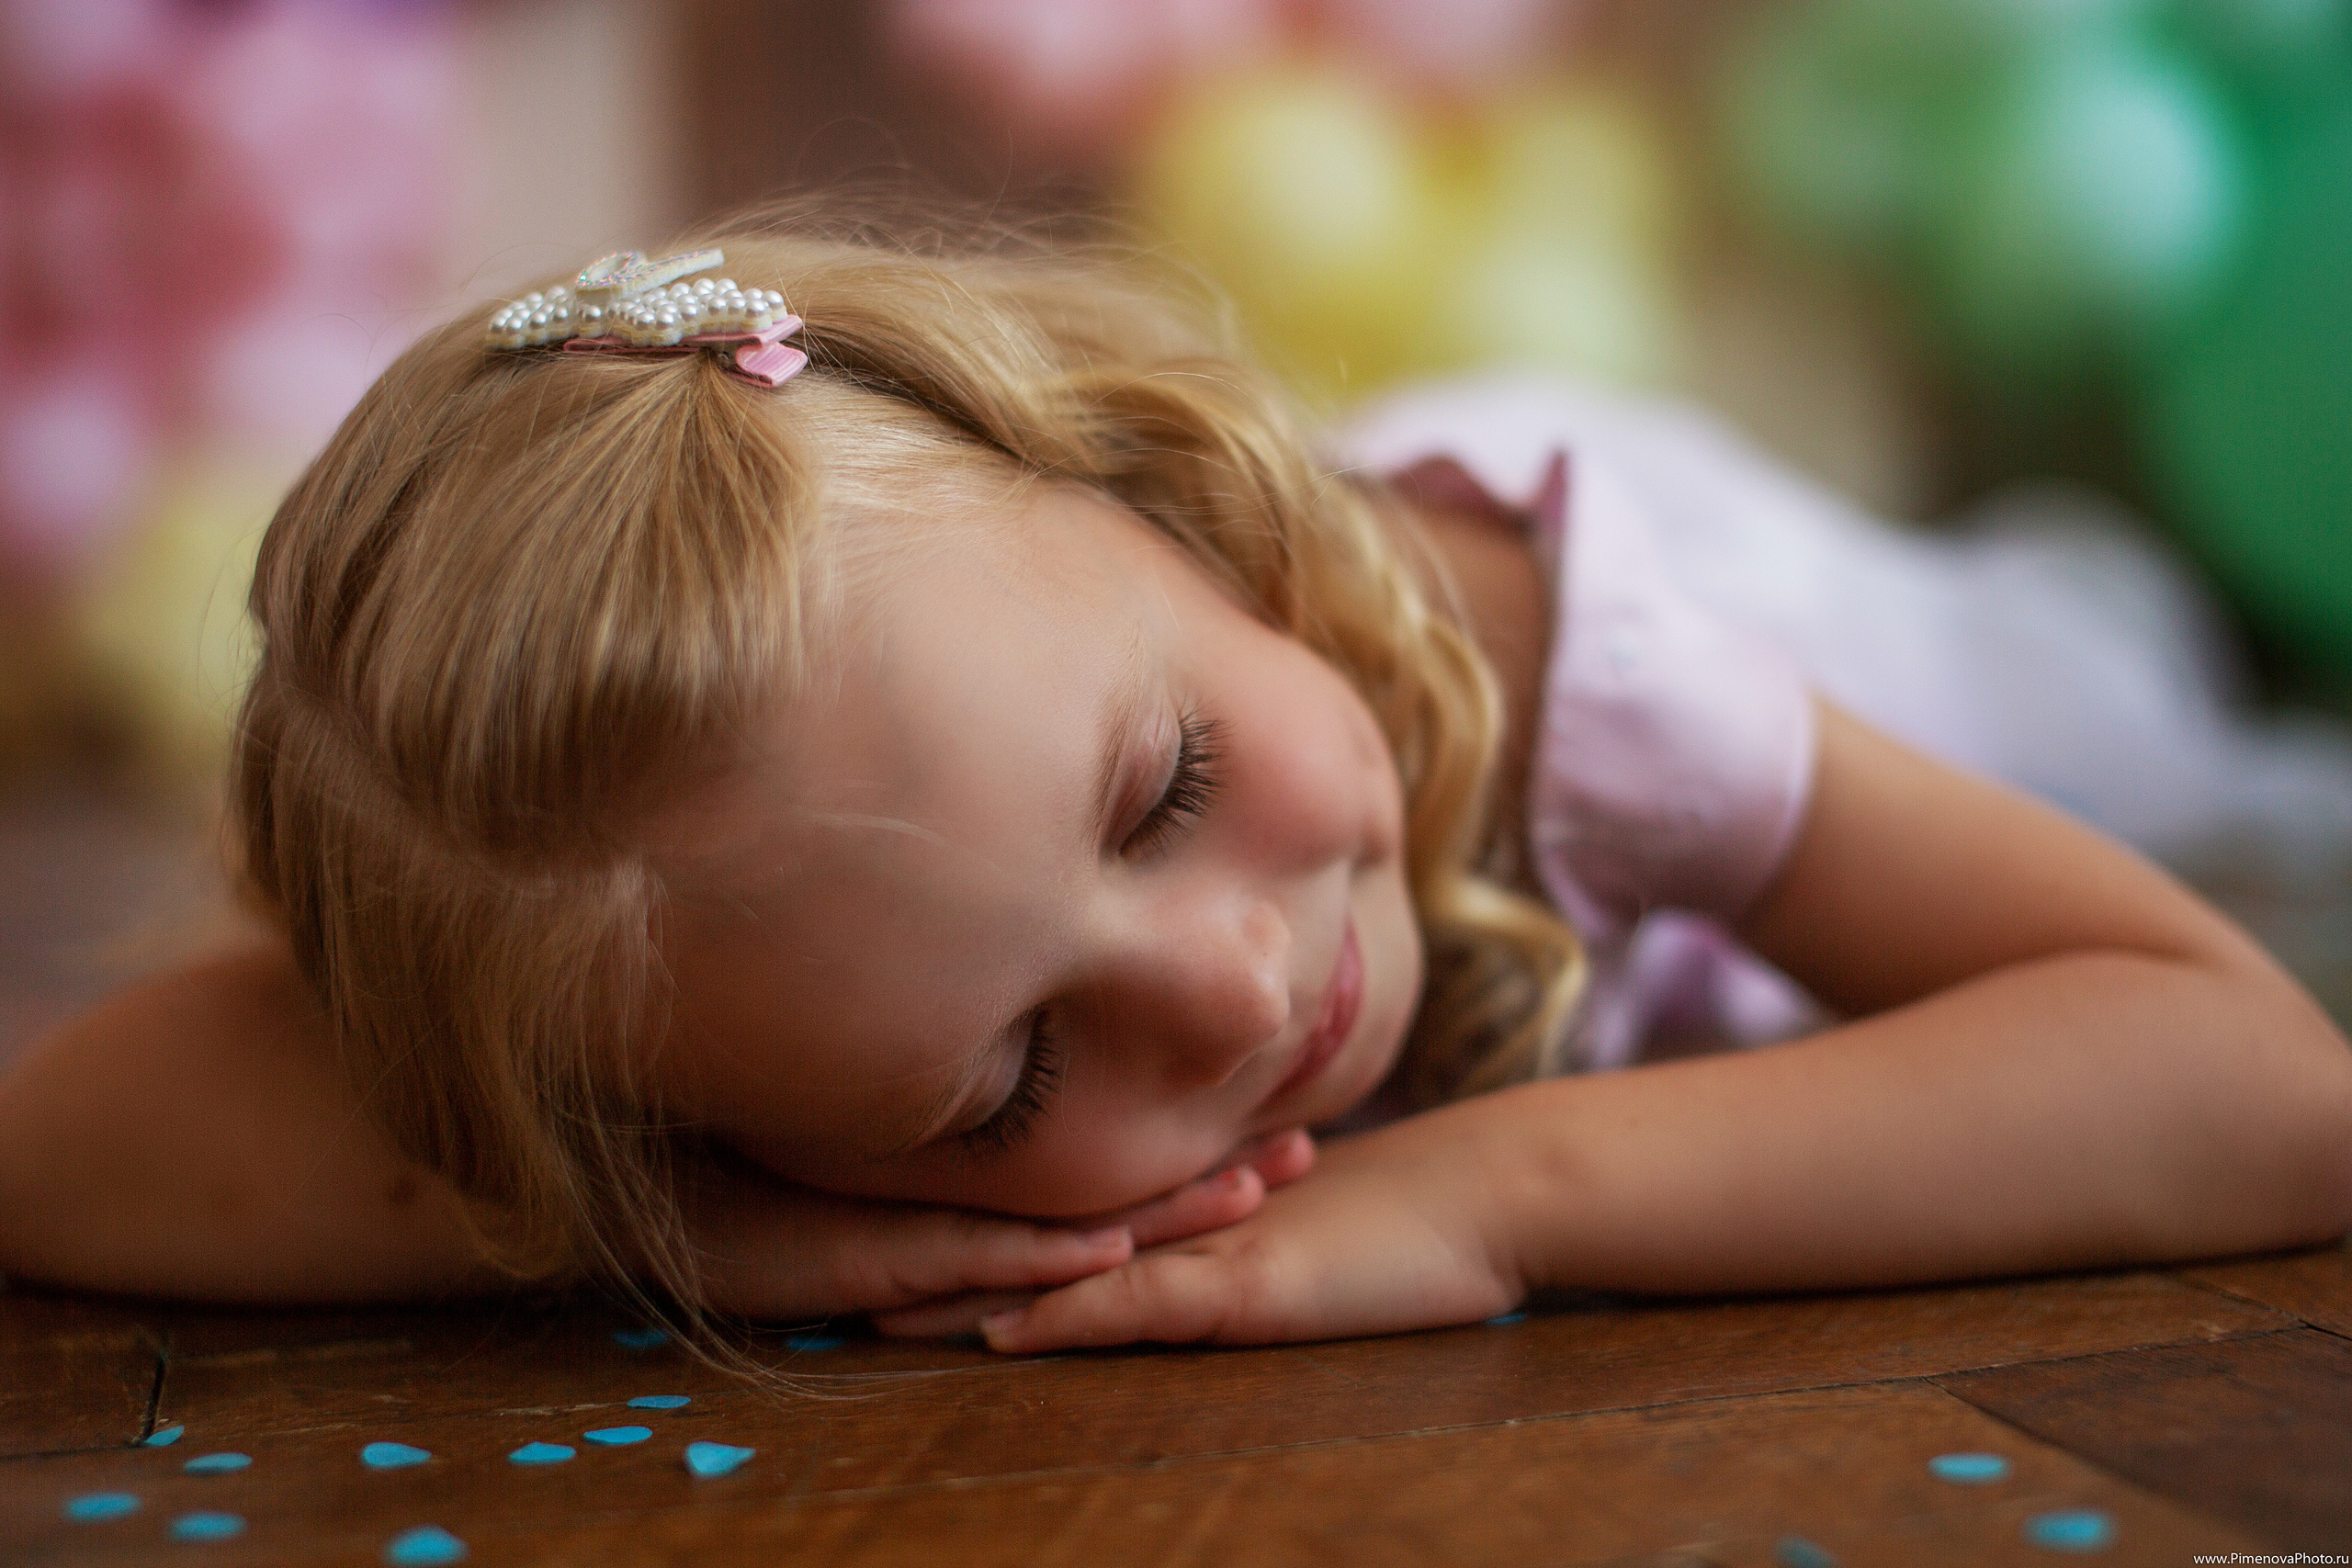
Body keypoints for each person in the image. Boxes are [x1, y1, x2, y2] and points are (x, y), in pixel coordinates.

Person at [2, 208, 2346, 1358]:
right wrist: (679, 1226)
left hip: (1882, 640)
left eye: (1161, 789)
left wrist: (1496, 1195)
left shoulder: (1579, 667)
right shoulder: (673, 914)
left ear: (1146, 492)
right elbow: (58, 1143)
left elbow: (2254, 1080)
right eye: (1005, 1076)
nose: (1228, 991)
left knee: (2165, 709)